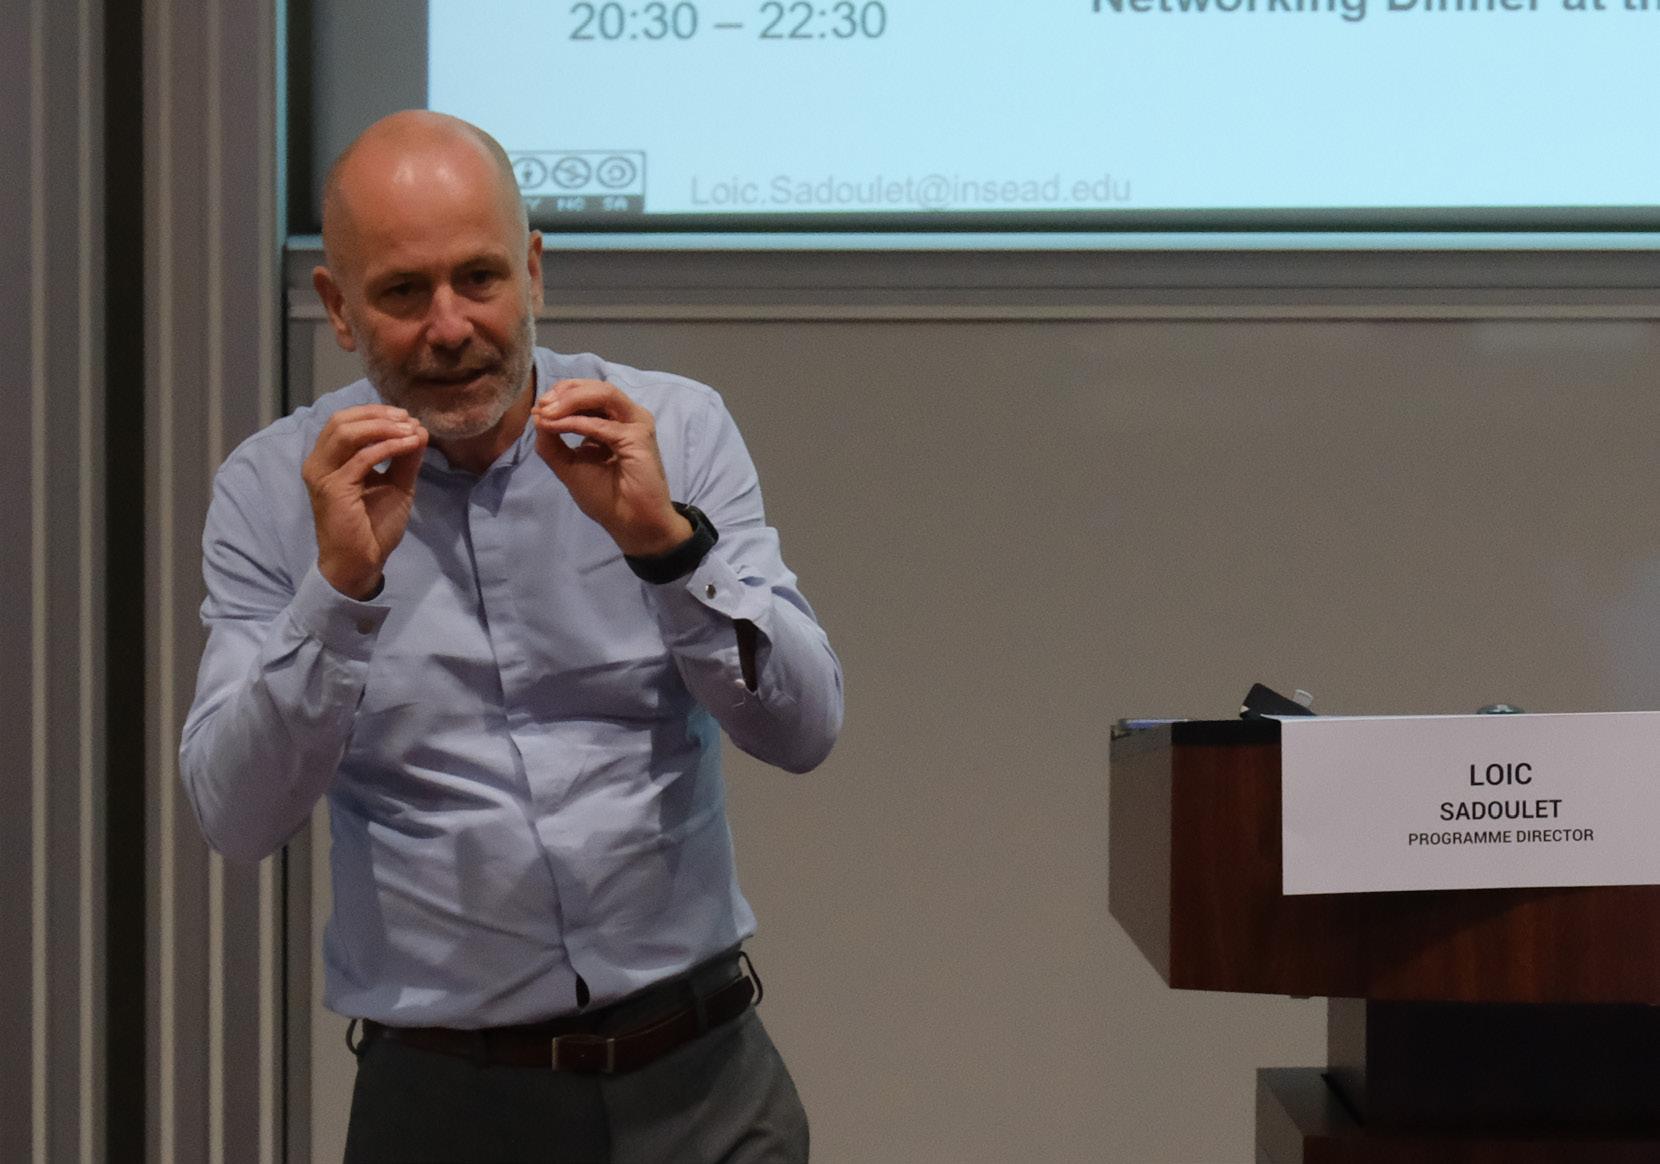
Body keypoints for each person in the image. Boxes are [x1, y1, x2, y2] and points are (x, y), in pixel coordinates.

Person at [179, 110, 843, 1163]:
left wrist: (667, 550)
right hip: (447, 1101)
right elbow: (236, 816)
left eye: (479, 278)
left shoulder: (671, 430)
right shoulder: (273, 491)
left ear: (532, 275)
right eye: (404, 292)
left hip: (704, 1077)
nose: (450, 327)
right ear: (339, 309)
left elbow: (805, 730)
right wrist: (338, 593)